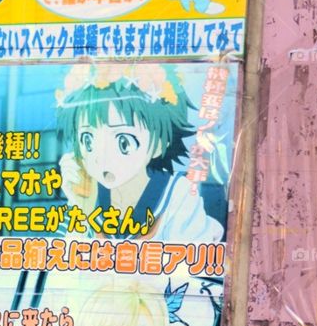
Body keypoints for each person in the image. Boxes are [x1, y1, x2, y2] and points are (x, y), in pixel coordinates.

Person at [54, 62, 223, 245]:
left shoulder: (177, 193)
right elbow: (68, 260)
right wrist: (80, 205)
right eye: (87, 140)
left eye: (123, 142)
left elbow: (193, 262)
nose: (100, 157)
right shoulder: (88, 192)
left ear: (159, 142)